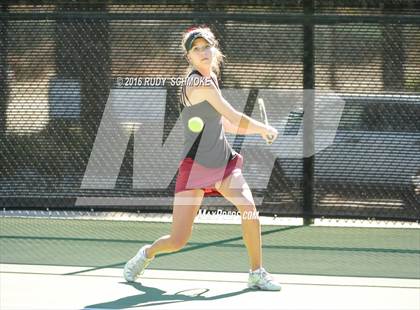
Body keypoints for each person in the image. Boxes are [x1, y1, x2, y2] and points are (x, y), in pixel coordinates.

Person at [124, 26, 280, 291]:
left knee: (250, 210)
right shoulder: (199, 83)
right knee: (177, 240)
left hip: (223, 162)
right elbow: (232, 115)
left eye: (206, 46)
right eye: (196, 49)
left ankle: (256, 272)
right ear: (190, 58)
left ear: (213, 49)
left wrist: (256, 132)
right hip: (195, 167)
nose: (203, 52)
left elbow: (225, 125)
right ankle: (146, 254)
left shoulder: (212, 80)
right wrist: (263, 128)